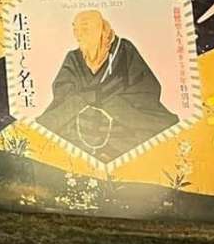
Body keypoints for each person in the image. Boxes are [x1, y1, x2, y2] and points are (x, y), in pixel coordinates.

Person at [35, 9, 175, 158]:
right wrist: (88, 98)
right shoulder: (73, 58)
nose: (77, 35)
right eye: (75, 29)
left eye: (84, 28)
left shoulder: (124, 49)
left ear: (99, 29)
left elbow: (147, 88)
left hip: (119, 123)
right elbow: (62, 91)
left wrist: (109, 100)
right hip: (79, 123)